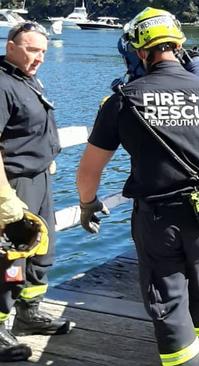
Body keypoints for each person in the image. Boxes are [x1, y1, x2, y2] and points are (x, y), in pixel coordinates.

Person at [75, 8, 199, 366]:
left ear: (140, 52)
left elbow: (89, 170)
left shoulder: (123, 99)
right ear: (179, 46)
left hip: (158, 222)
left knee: (168, 306)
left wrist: (88, 204)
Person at [0, 21, 71, 362]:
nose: (38, 57)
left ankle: (30, 311)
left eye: (42, 51)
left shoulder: (27, 78)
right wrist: (4, 199)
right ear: (10, 45)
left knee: (42, 250)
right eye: (31, 49)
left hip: (40, 179)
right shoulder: (1, 83)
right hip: (13, 184)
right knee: (9, 258)